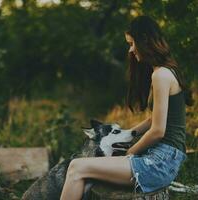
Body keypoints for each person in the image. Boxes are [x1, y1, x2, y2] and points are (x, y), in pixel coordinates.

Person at [60, 15, 193, 200]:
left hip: (160, 162)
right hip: (165, 158)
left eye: (132, 43)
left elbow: (158, 131)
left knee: (76, 167)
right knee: (85, 170)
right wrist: (130, 133)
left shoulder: (160, 75)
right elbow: (154, 118)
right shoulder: (165, 70)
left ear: (144, 41)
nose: (131, 50)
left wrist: (130, 152)